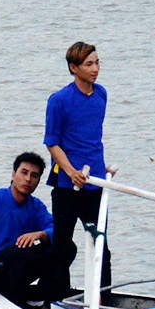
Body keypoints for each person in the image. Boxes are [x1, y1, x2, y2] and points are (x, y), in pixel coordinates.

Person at [0, 152, 69, 309]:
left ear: (38, 181)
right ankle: (20, 306)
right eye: (24, 173)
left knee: (66, 247)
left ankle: (54, 299)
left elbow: (56, 229)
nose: (28, 179)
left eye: (34, 176)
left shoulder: (36, 206)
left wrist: (41, 234)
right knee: (17, 251)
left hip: (18, 272)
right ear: (13, 174)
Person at [45, 41, 112, 291]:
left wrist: (102, 167)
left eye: (97, 62)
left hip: (95, 184)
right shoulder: (59, 100)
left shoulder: (102, 94)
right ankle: (58, 297)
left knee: (102, 246)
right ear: (74, 68)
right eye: (89, 64)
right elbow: (52, 143)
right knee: (62, 246)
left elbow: (92, 137)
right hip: (67, 187)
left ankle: (103, 300)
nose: (95, 68)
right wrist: (71, 172)